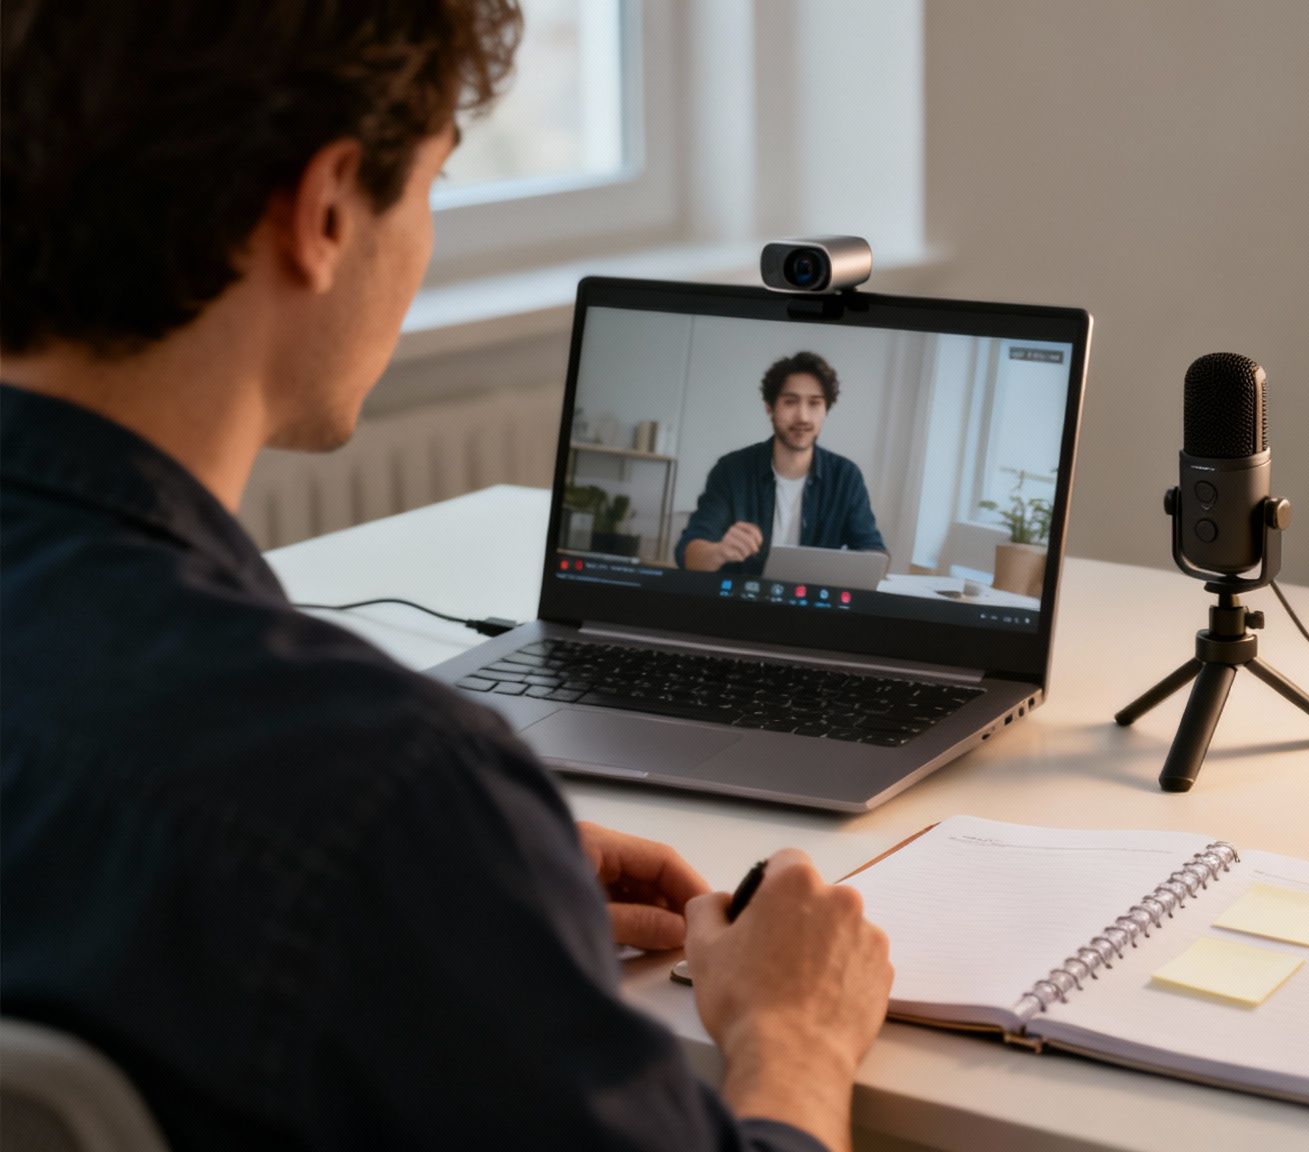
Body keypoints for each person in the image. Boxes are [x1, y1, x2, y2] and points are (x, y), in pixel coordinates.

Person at [0, 5, 891, 1151]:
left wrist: (468, 891)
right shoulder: (380, 796)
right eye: (431, 185)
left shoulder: (379, 815)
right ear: (326, 211)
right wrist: (795, 1034)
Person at [676, 352, 886, 573]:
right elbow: (688, 553)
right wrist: (719, 552)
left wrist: (866, 563)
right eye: (790, 402)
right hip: (742, 594)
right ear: (770, 407)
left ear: (826, 410)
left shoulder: (846, 477)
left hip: (814, 595)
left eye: (814, 403)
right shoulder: (731, 470)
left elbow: (873, 551)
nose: (803, 416)